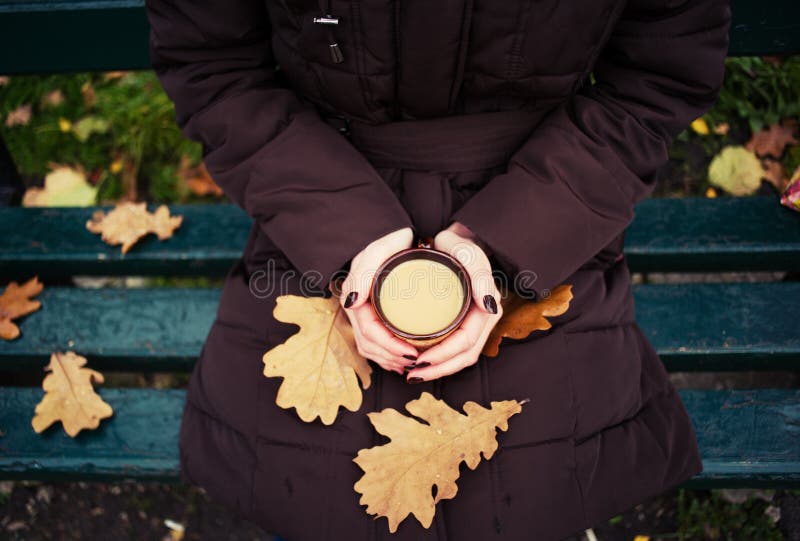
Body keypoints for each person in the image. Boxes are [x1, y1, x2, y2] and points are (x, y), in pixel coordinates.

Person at [144, 1, 732, 539]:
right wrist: (349, 235)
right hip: (312, 197)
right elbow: (213, 67)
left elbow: (659, 76)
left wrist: (504, 244)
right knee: (305, 483)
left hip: (550, 203)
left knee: (543, 479)